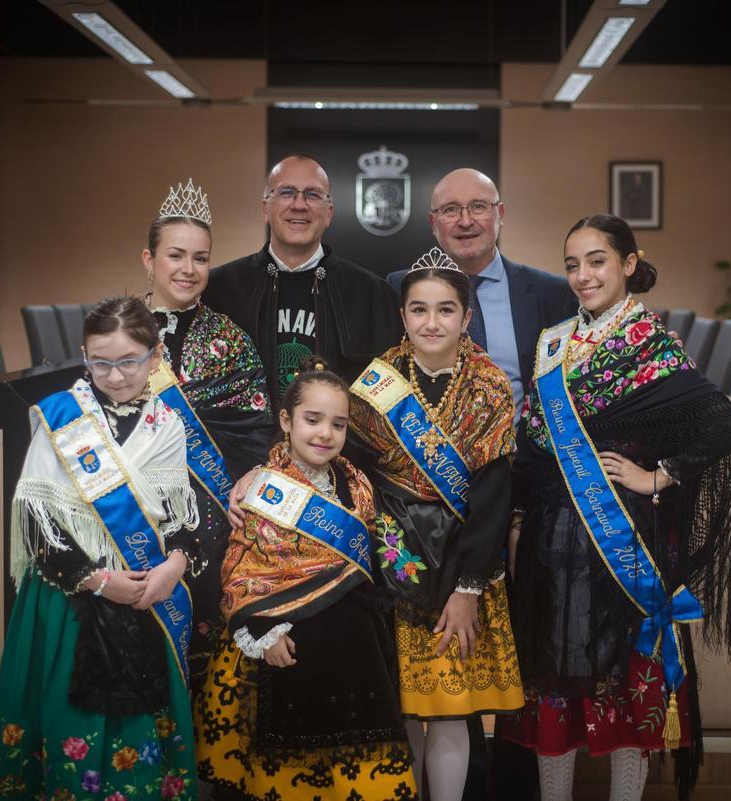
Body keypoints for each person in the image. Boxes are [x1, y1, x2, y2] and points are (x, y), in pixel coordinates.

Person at [502, 214, 731, 801]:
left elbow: (723, 426)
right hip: (552, 542)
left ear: (629, 264)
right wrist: (516, 519)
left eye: (597, 261)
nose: (583, 276)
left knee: (626, 692)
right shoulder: (554, 341)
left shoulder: (652, 343)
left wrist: (658, 477)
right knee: (555, 691)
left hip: (622, 544)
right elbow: (537, 443)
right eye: (572, 264)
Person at [0, 297, 203, 801]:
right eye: (100, 361)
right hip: (68, 603)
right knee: (69, 723)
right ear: (84, 355)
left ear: (156, 355)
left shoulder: (166, 423)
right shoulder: (62, 418)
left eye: (130, 361)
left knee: (142, 737)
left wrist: (175, 565)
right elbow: (37, 525)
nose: (117, 375)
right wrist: (100, 581)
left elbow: (183, 517)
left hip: (148, 595)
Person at [196, 355, 417, 801]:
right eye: (312, 420)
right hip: (287, 644)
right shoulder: (263, 486)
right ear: (286, 420)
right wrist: (263, 631)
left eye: (337, 424)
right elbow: (240, 567)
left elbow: (374, 548)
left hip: (354, 648)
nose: (325, 434)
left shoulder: (355, 480)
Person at [349, 248, 524, 801]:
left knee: (449, 711)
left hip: (463, 565)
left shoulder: (490, 386)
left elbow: (494, 496)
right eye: (419, 310)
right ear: (402, 315)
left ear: (466, 317)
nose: (432, 323)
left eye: (446, 310)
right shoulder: (375, 383)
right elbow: (358, 479)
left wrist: (469, 586)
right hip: (391, 561)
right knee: (400, 709)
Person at [142, 178, 273, 689]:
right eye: (176, 255)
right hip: (134, 510)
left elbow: (252, 432)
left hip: (211, 516)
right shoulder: (117, 331)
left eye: (201, 258)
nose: (188, 269)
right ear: (149, 260)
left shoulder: (229, 338)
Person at [203, 154, 401, 410]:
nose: (299, 204)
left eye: (312, 194)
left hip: (338, 448)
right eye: (286, 193)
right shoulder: (219, 290)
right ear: (266, 208)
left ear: (329, 213)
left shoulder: (374, 296)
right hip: (247, 449)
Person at [387, 168, 573, 417]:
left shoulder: (551, 293)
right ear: (433, 223)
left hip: (523, 453)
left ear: (500, 214)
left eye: (478, 207)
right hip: (427, 450)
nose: (465, 221)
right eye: (451, 209)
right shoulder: (399, 287)